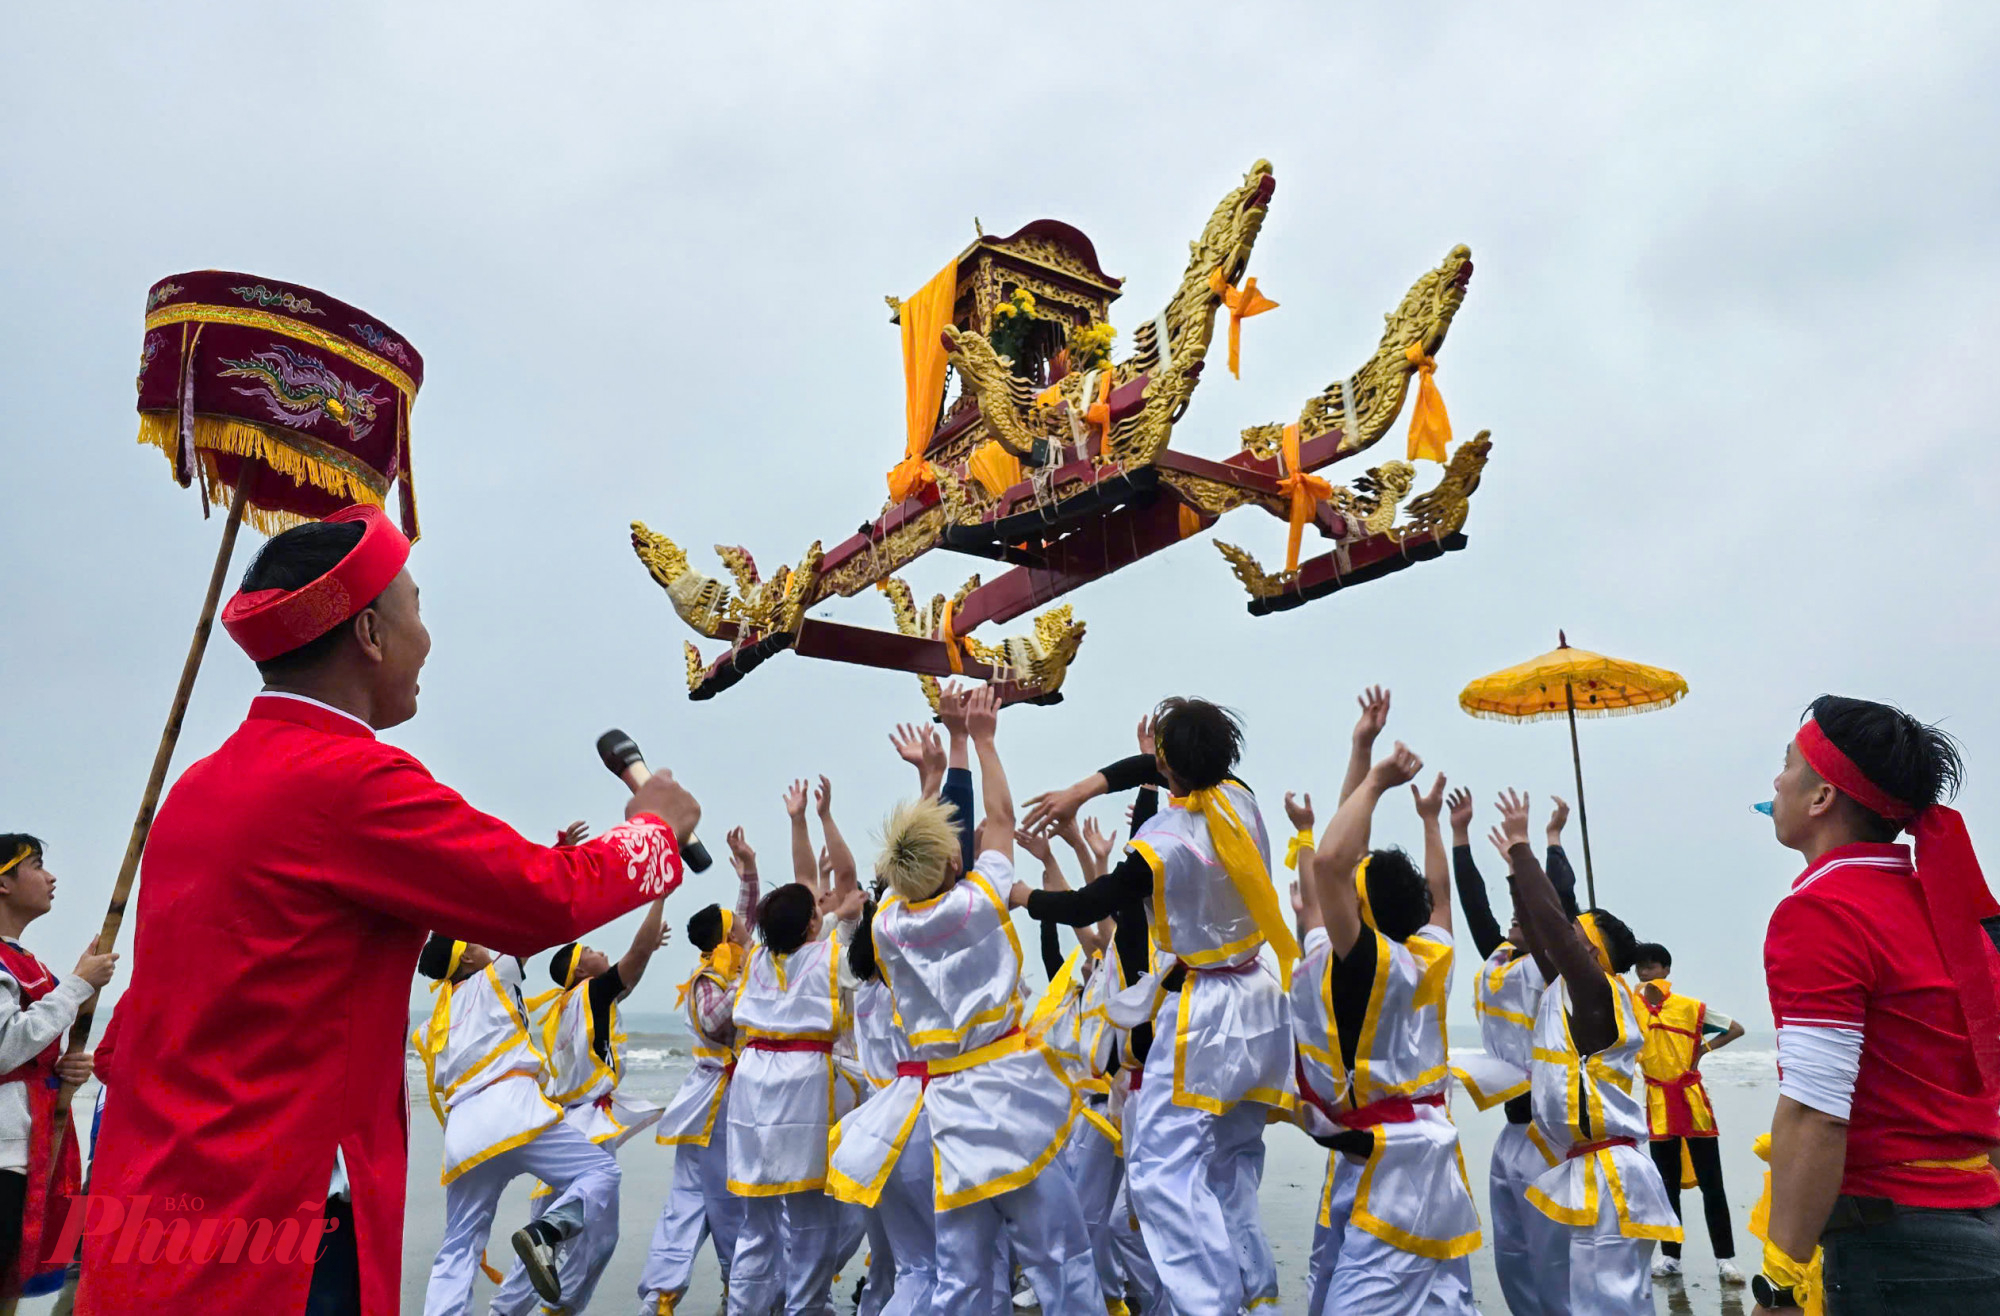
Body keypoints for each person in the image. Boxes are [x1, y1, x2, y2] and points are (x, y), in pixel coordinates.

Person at [76, 506, 702, 1316]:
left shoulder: (198, 787)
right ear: (370, 632)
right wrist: (652, 830)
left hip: (158, 1214)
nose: (428, 638)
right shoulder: (347, 782)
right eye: (416, 607)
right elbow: (539, 896)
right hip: (280, 1227)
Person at [1018, 697, 1297, 1315]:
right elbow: (1147, 770)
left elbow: (1091, 905)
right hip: (1259, 995)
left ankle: (1208, 1304)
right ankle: (1251, 1291)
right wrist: (1083, 790)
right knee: (1232, 1161)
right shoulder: (1239, 797)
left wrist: (1026, 894)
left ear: (1165, 765)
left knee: (1160, 1173)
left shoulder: (1164, 843)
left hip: (1204, 1012)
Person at [834, 687, 1099, 1314]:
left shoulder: (887, 925)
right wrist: (980, 738)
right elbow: (1003, 819)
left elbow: (911, 858)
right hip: (1004, 1096)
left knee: (962, 1274)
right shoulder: (979, 903)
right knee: (1060, 1253)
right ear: (954, 860)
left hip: (937, 1107)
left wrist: (947, 759)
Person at [1756, 696, 2000, 1316]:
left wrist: (1780, 1283)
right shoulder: (1953, 916)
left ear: (1821, 798)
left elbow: (1817, 1112)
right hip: (1981, 1223)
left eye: (1787, 764)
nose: (1776, 780)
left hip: (1897, 1252)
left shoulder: (1823, 911)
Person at [1295, 746, 1480, 1315]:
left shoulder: (1369, 963)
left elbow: (1328, 864)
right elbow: (1439, 895)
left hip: (1397, 1163)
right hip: (1411, 1146)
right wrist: (1429, 821)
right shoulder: (1431, 951)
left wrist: (1373, 779)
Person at [1492, 789, 1679, 1315]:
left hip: (1611, 1174)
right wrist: (1513, 871)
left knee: (1607, 1307)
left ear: (1592, 953)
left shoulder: (1598, 993)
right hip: (1581, 1166)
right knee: (1576, 1300)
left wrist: (1527, 849)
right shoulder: (1565, 989)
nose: (1564, 936)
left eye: (1576, 936)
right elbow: (1538, 927)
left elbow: (1551, 923)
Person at [486, 868, 672, 1316]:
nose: (597, 950)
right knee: (598, 1236)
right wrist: (659, 895)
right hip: (588, 1124)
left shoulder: (563, 1006)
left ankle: (502, 1310)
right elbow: (638, 957)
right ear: (578, 970)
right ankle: (560, 1308)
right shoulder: (590, 994)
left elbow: (632, 967)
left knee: (544, 1232)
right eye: (588, 950)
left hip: (560, 1122)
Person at [413, 936, 622, 1316]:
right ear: (468, 961)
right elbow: (533, 927)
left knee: (459, 1243)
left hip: (465, 1133)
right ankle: (550, 1229)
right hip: (513, 1112)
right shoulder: (497, 974)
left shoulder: (433, 1024)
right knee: (601, 1170)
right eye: (471, 941)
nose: (481, 942)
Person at [725, 778, 863, 1316]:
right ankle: (805, 1308)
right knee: (809, 1222)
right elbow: (825, 879)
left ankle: (744, 1309)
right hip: (804, 1084)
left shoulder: (758, 956)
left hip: (752, 1081)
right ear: (813, 923)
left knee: (756, 1225)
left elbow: (807, 883)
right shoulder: (827, 953)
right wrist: (817, 818)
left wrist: (799, 819)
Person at [1444, 785, 1579, 1316]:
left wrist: (1545, 842)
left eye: (1524, 913)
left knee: (1553, 1259)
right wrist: (1459, 836)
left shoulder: (1551, 970)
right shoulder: (1499, 957)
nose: (1513, 918)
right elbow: (1474, 904)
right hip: (1511, 1130)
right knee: (1513, 1256)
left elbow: (1557, 904)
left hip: (1551, 1132)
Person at [638, 828, 760, 1316]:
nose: (745, 933)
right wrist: (750, 974)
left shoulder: (724, 965)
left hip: (714, 1102)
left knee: (689, 1200)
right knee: (727, 1200)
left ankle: (667, 1296)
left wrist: (749, 868)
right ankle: (725, 1290)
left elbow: (746, 917)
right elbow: (716, 1022)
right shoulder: (710, 978)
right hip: (718, 1104)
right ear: (725, 940)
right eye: (736, 931)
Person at [0, 837, 115, 1299]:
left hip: (28, 1152)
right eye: (38, 866)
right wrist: (76, 988)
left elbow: (26, 1049)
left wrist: (63, 1068)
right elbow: (5, 1047)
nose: (51, 878)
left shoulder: (26, 963)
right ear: (4, 883)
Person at [1631, 940, 1745, 1285]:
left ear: (1665, 970)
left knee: (1713, 1184)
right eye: (1640, 967)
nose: (1644, 972)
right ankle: (1670, 1256)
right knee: (1665, 1186)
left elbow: (1735, 1028)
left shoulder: (1689, 1007)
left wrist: (1703, 1050)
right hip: (1657, 1103)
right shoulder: (1630, 1007)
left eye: (1651, 966)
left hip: (1692, 1101)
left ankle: (1725, 1260)